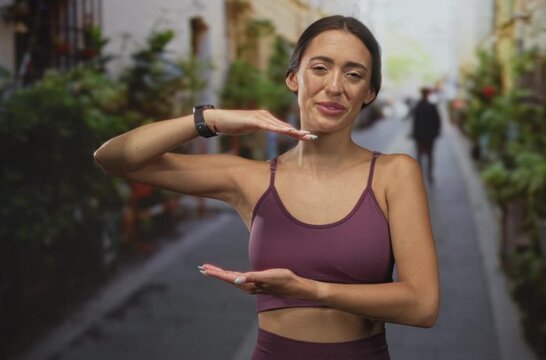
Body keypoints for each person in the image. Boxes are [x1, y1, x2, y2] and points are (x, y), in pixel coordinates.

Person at [94, 15, 439, 360]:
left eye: (354, 74)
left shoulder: (395, 173)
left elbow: (422, 306)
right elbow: (114, 158)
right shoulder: (252, 179)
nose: (335, 86)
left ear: (370, 92)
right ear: (293, 78)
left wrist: (310, 290)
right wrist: (211, 120)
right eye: (320, 68)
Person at [411, 87, 442, 183]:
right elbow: (437, 122)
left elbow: (415, 122)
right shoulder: (432, 107)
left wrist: (414, 134)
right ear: (428, 94)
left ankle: (419, 175)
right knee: (430, 156)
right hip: (429, 136)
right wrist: (436, 133)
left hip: (419, 136)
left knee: (419, 156)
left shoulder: (417, 107)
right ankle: (430, 174)